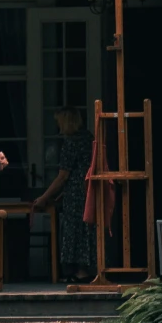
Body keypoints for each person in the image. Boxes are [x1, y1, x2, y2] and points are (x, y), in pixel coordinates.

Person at [32, 104, 96, 282]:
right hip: (88, 189)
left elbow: (63, 176)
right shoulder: (88, 138)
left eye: (59, 122)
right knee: (86, 229)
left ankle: (79, 272)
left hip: (76, 192)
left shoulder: (72, 142)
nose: (58, 126)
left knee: (74, 229)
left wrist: (45, 197)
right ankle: (85, 269)